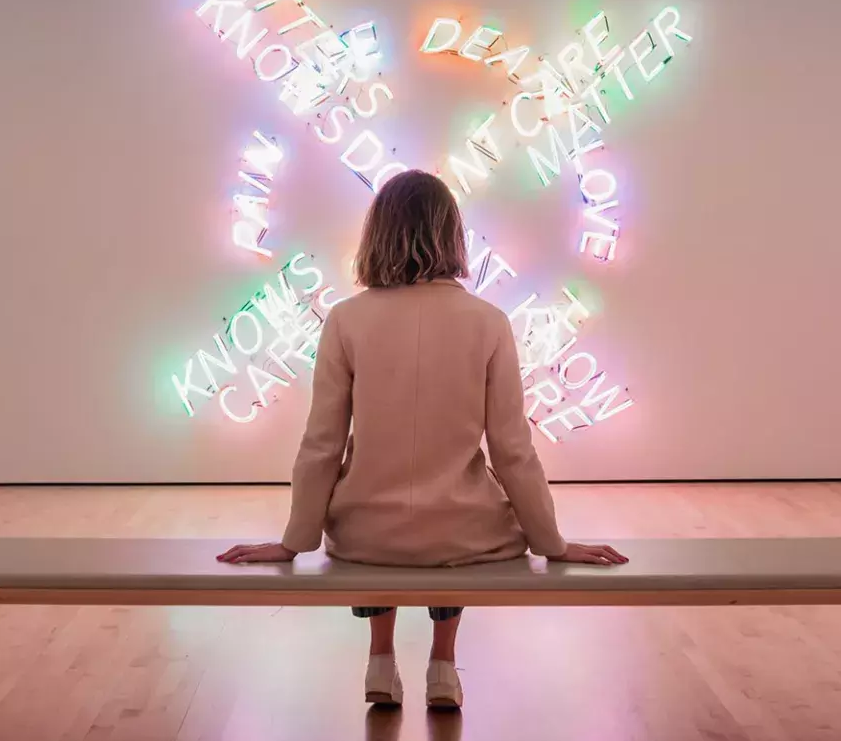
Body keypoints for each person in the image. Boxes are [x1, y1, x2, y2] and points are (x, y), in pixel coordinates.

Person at [218, 170, 627, 710]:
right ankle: (441, 667)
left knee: (376, 515)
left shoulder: (345, 320)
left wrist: (294, 542)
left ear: (377, 233)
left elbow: (322, 445)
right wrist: (552, 544)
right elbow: (512, 450)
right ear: (451, 234)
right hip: (463, 536)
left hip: (367, 535)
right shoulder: (489, 322)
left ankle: (381, 662)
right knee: (463, 517)